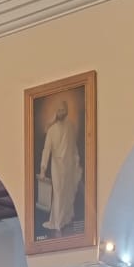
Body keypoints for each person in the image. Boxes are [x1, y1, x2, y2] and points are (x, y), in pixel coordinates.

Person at [38, 98, 82, 233]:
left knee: (67, 192)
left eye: (63, 110)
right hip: (57, 166)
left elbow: (73, 147)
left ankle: (65, 219)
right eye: (59, 110)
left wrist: (76, 162)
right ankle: (57, 222)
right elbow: (46, 150)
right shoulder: (51, 130)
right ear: (56, 112)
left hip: (69, 165)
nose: (61, 112)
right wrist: (43, 169)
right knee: (58, 193)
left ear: (67, 111)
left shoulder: (70, 126)